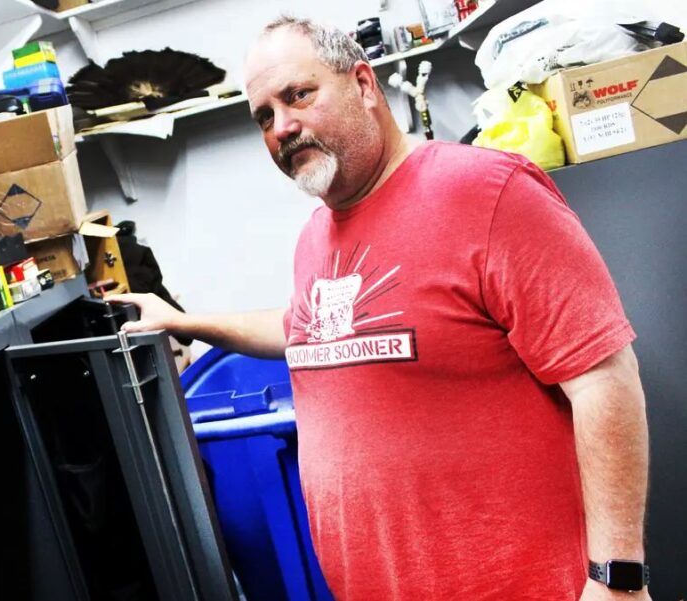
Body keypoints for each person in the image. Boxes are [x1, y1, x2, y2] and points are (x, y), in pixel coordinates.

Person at [109, 16, 650, 601]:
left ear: (364, 85)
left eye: (298, 95)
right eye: (264, 116)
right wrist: (185, 320)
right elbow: (307, 331)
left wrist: (616, 578)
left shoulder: (488, 192)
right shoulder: (319, 234)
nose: (282, 127)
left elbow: (603, 380)